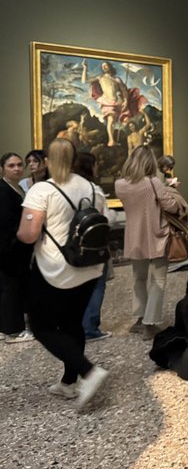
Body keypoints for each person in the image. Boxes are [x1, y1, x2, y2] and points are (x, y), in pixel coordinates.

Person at [16, 139, 109, 407]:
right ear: (75, 159)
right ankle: (68, 384)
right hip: (90, 267)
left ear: (48, 161)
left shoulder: (42, 190)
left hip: (56, 269)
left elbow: (28, 234)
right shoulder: (93, 189)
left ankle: (88, 371)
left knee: (41, 326)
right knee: (71, 323)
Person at [116, 146, 180, 340]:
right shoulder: (153, 182)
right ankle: (149, 324)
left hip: (134, 237)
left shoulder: (120, 184)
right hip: (156, 235)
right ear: (150, 162)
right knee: (158, 280)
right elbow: (171, 206)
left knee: (139, 278)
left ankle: (139, 318)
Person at [75, 152, 112, 343]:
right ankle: (90, 328)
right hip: (93, 245)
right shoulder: (94, 190)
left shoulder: (64, 188)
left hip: (71, 245)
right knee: (96, 285)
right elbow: (106, 217)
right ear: (91, 166)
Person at [1, 153, 34, 343]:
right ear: (3, 169)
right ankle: (13, 330)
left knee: (11, 288)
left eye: (19, 165)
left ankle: (5, 327)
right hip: (9, 247)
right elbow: (6, 221)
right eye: (11, 165)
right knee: (11, 288)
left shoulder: (16, 188)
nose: (17, 169)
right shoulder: (3, 190)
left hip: (16, 246)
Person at [81, 59, 147, 147]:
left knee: (117, 122)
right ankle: (111, 141)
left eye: (106, 65)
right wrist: (85, 68)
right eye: (103, 66)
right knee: (111, 120)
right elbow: (84, 81)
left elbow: (124, 91)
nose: (104, 67)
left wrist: (125, 100)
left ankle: (115, 139)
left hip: (117, 102)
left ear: (110, 67)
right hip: (106, 101)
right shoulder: (100, 77)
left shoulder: (117, 79)